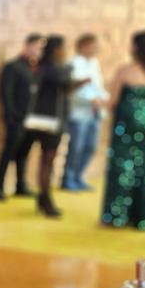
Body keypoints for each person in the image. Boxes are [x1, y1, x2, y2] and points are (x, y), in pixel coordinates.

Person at [101, 30, 145, 230]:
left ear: (136, 47)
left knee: (122, 166)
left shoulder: (126, 71)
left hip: (127, 123)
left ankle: (117, 215)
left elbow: (112, 101)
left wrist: (98, 103)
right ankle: (143, 217)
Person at [28, 35, 88, 218]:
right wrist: (80, 80)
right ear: (57, 50)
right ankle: (45, 198)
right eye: (64, 48)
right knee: (48, 160)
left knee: (47, 160)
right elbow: (65, 85)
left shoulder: (45, 67)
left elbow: (65, 89)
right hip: (50, 121)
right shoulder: (53, 69)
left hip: (48, 119)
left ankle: (43, 196)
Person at [0, 33, 44, 201]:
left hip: (32, 119)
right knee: (9, 152)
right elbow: (6, 94)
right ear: (28, 45)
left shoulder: (37, 68)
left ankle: (20, 184)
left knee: (24, 153)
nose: (38, 51)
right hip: (16, 119)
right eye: (36, 46)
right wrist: (12, 115)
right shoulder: (13, 66)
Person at [61, 34, 108, 191]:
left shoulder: (94, 63)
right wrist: (91, 99)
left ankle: (79, 176)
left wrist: (104, 99)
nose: (96, 49)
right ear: (83, 46)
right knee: (76, 146)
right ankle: (68, 179)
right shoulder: (73, 64)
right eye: (92, 46)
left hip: (95, 112)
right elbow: (75, 88)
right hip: (79, 111)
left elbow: (98, 86)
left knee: (90, 146)